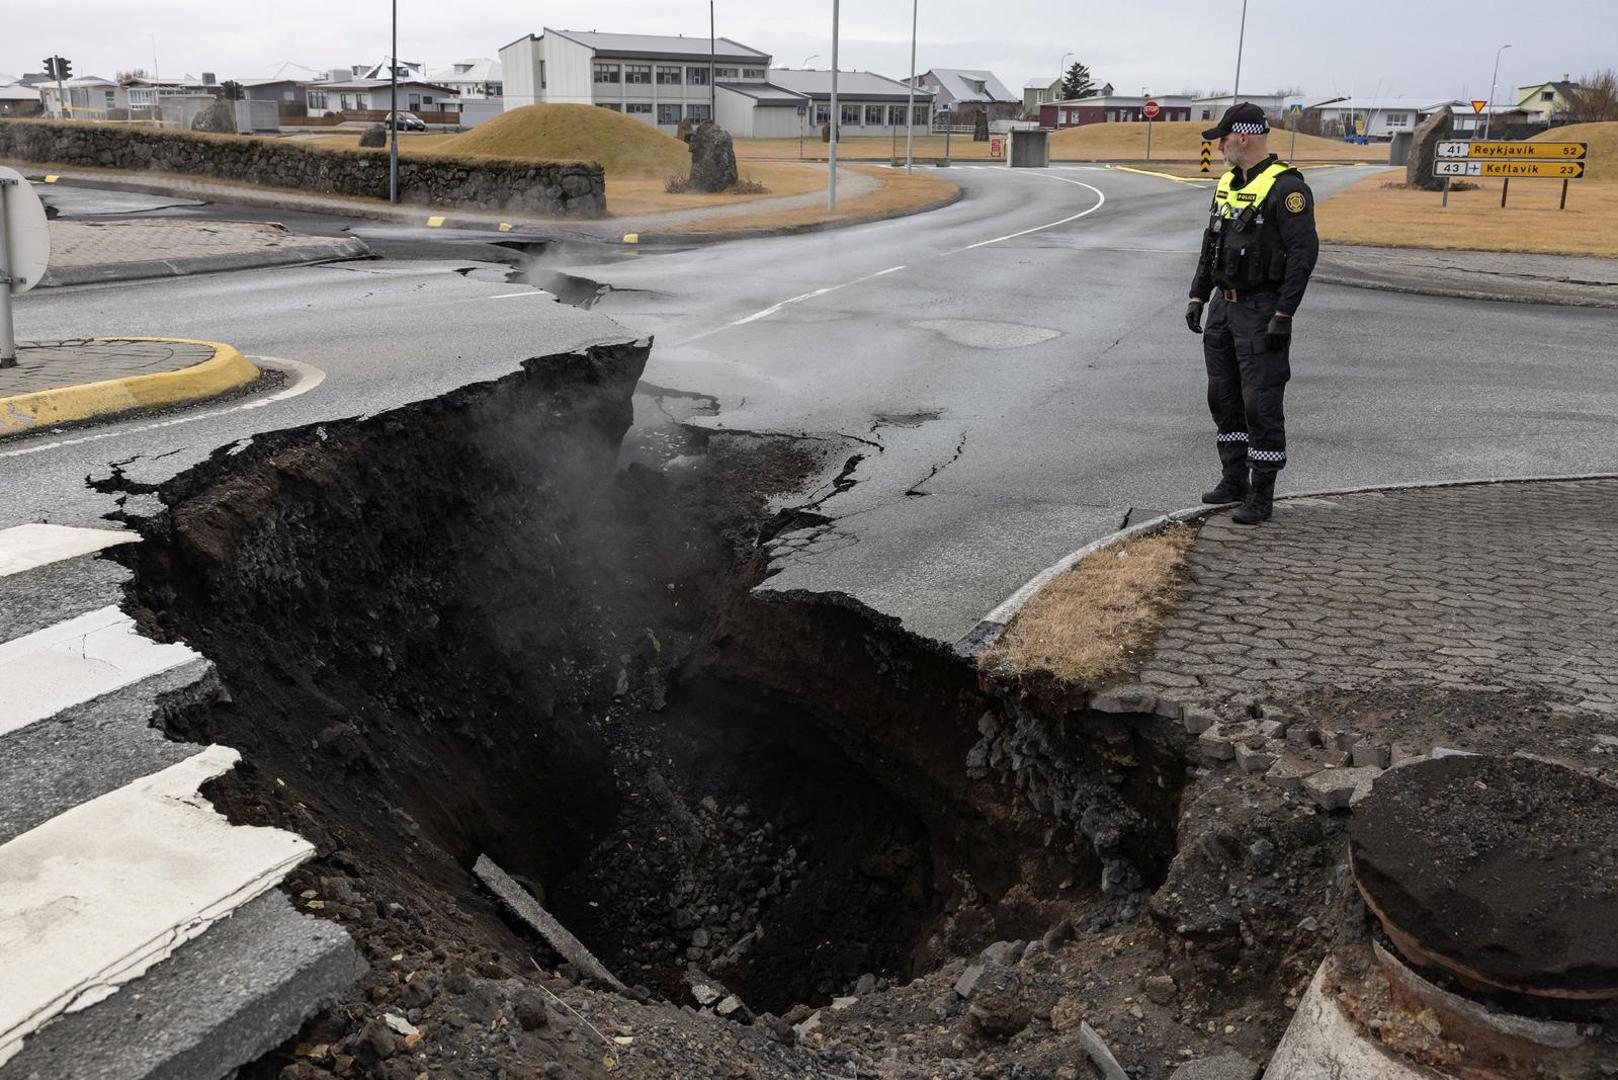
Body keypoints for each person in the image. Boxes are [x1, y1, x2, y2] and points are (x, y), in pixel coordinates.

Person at [1185, 102, 1319, 525]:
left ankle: (1261, 495)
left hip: (1262, 308)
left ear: (1242, 137)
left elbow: (1303, 255)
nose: (1220, 148)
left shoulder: (1287, 189)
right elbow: (1213, 243)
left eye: (1222, 140)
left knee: (1260, 402)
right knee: (1222, 397)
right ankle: (1233, 479)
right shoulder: (1228, 183)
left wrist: (1285, 313)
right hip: (1225, 306)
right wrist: (1198, 295)